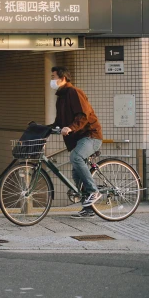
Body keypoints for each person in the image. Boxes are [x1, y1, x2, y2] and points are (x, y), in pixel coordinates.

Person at [50, 66, 104, 219]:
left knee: (76, 157)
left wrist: (70, 127)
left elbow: (83, 115)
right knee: (76, 172)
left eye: (53, 77)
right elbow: (59, 121)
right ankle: (89, 209)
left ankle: (94, 191)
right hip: (78, 138)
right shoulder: (61, 97)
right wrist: (44, 129)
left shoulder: (74, 92)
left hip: (91, 135)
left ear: (63, 78)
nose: (52, 80)